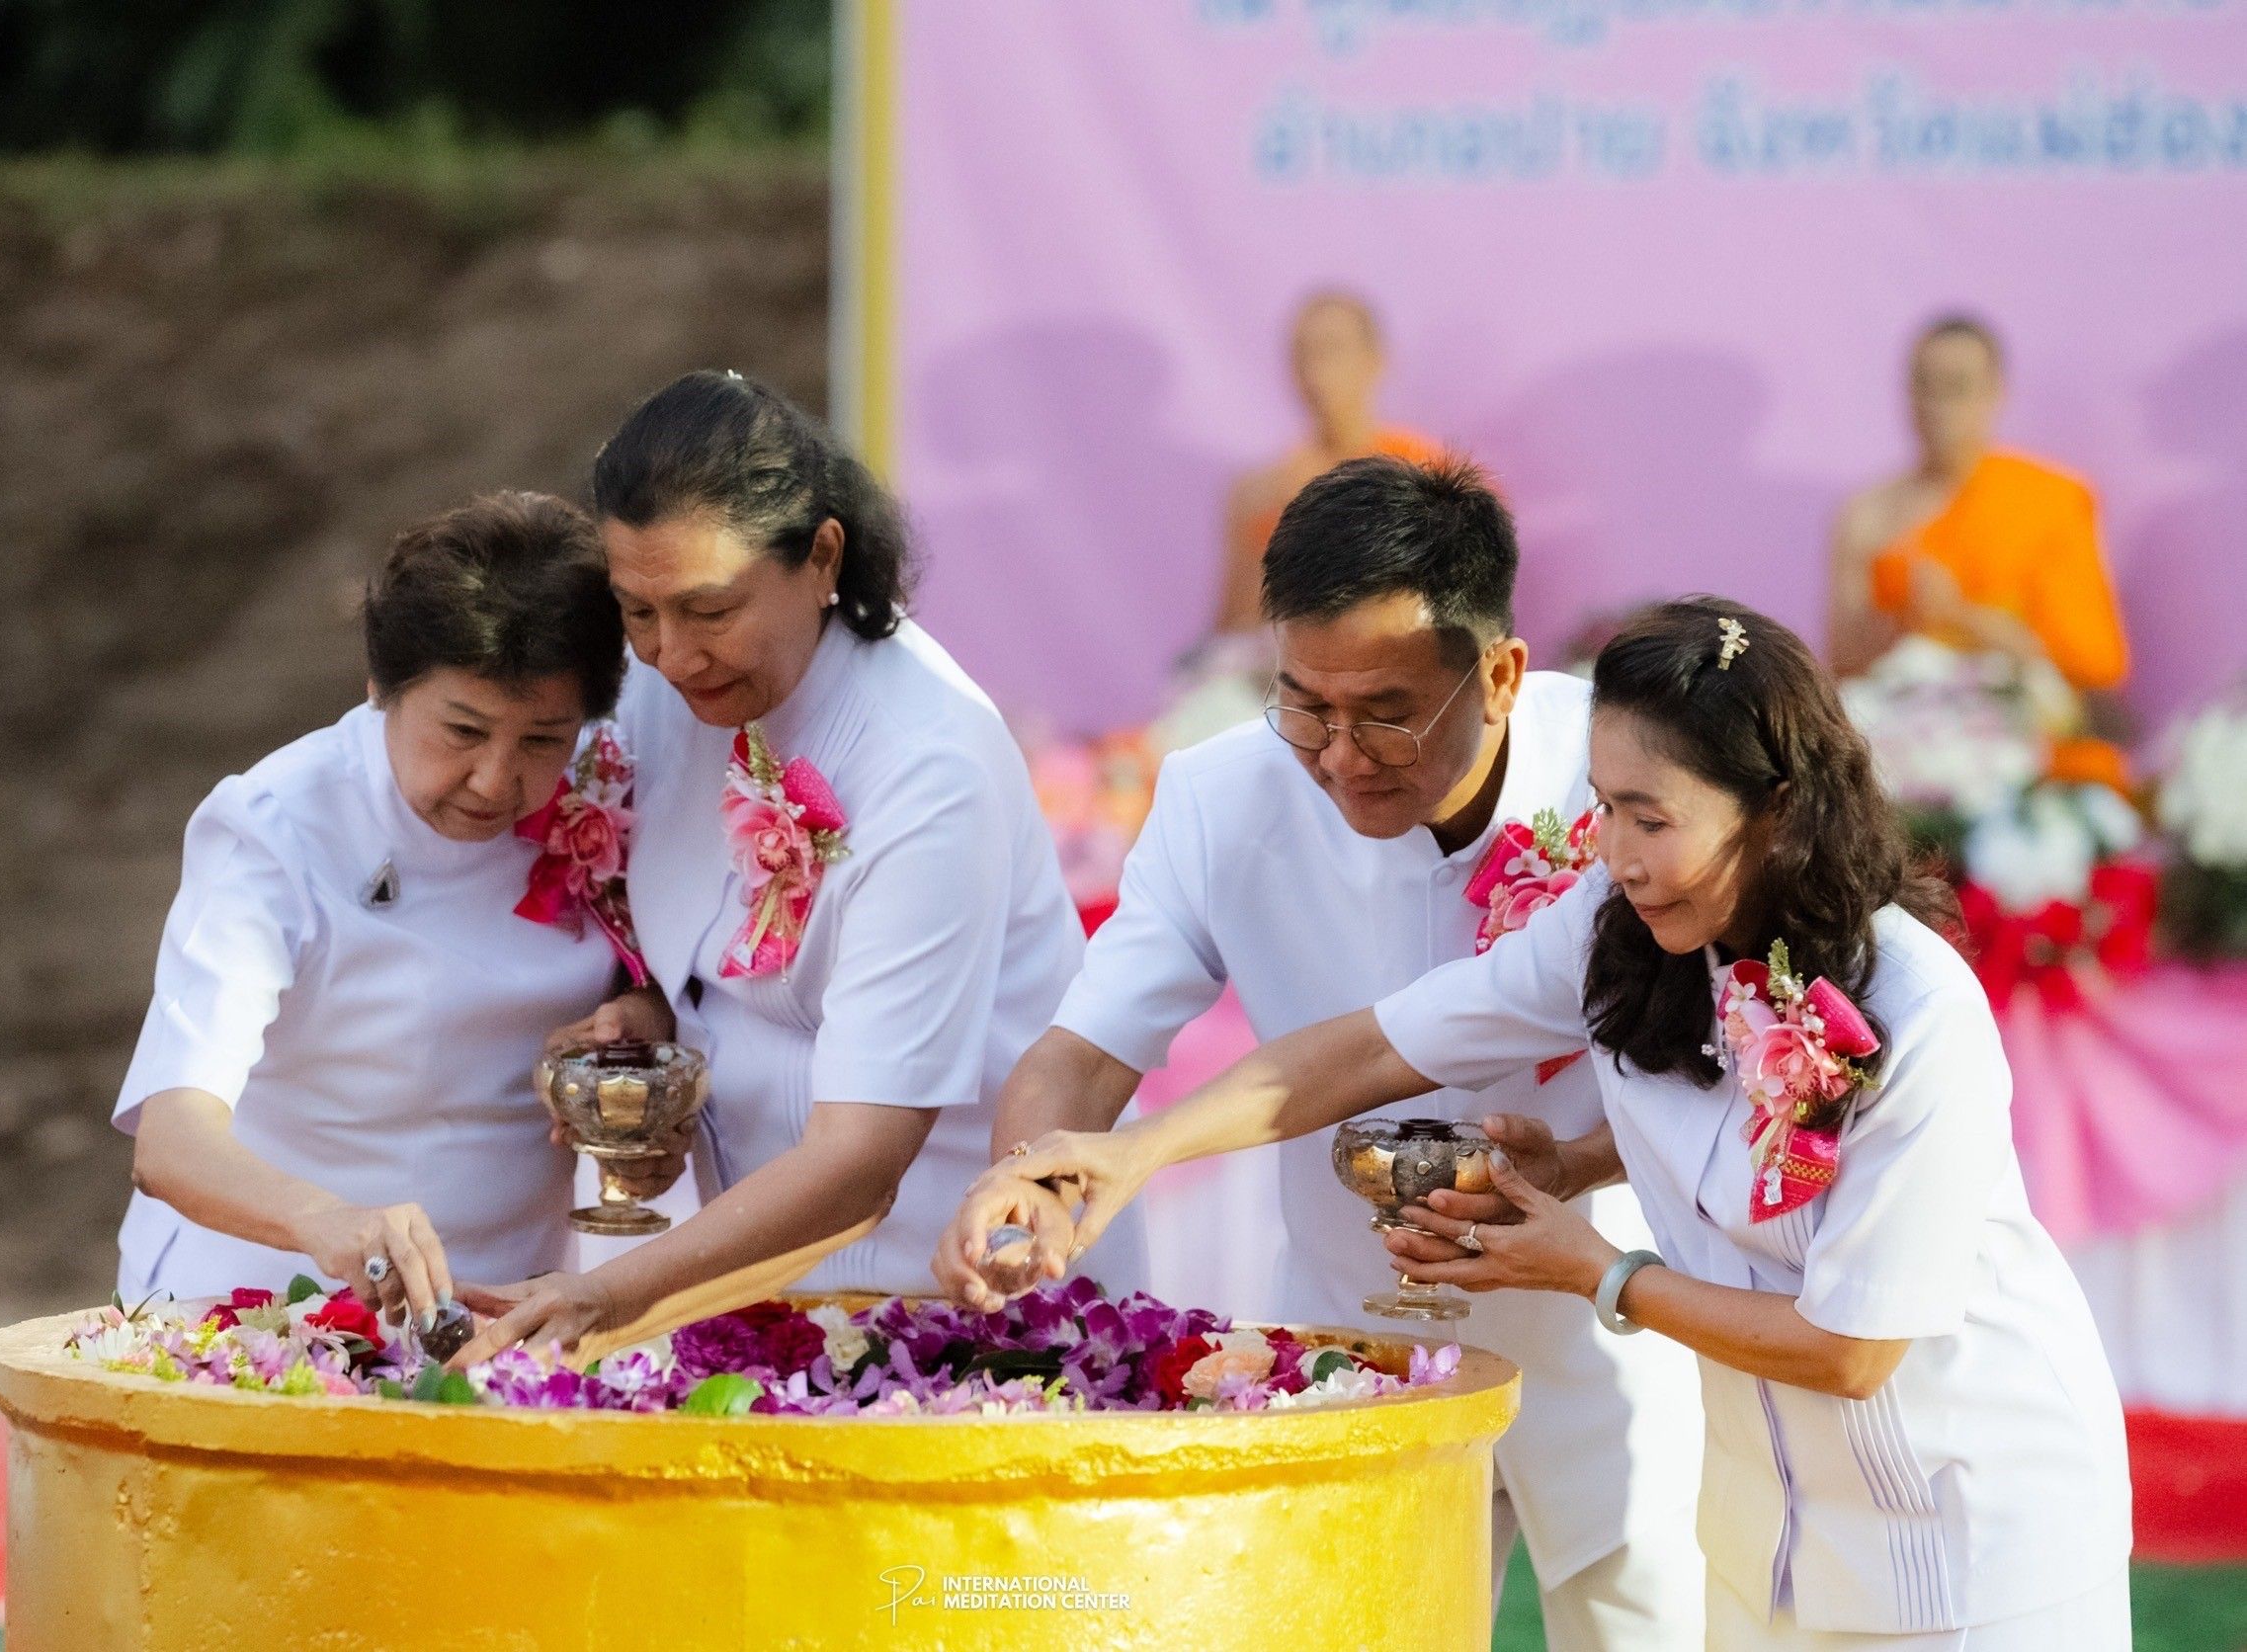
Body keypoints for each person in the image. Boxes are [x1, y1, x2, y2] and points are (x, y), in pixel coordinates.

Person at [963, 600, 2132, 1649]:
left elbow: (1852, 1350)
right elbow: (1375, 1047)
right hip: (1768, 1540)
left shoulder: (1919, 1011)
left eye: (1650, 818)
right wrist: (1131, 1153)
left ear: (1777, 810)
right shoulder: (1620, 925)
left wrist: (1597, 1271)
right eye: (1605, 808)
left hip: (1974, 1537)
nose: (1616, 854)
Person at [938, 454, 1705, 1648]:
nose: (1342, 752)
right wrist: (1030, 1177)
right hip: (1354, 1335)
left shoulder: (1616, 774)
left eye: (1388, 712)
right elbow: (1084, 1051)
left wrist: (1581, 1165)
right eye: (1304, 705)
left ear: (1500, 675)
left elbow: (1712, 1057)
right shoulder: (1222, 794)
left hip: (1605, 1322)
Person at [460, 372, 1146, 1357]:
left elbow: (862, 1160)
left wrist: (607, 1299)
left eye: (709, 609)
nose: (672, 654)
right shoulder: (658, 695)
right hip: (756, 1297)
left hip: (964, 1303)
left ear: (822, 556)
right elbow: (708, 968)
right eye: (637, 610)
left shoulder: (925, 765)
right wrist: (645, 1024)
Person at [115, 492, 635, 1325]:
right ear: (379, 689)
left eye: (542, 740)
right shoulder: (277, 825)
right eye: (463, 731)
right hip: (260, 1301)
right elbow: (171, 1138)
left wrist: (639, 1019)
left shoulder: (611, 790)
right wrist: (327, 1220)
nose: (495, 781)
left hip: (507, 1310)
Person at [1827, 315, 2128, 700]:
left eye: (1957, 387)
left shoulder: (2050, 500)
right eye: (1924, 385)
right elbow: (1843, 664)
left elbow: (2093, 664)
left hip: (2020, 723)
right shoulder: (1867, 516)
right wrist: (1901, 614)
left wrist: (1959, 616)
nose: (1937, 406)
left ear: (1996, 392)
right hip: (1901, 717)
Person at [1209, 289, 1443, 638]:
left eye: (1332, 348)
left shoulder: (1423, 472)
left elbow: (1452, 607)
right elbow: (1234, 629)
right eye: (1302, 353)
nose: (1315, 370)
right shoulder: (1262, 491)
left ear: (1376, 359)